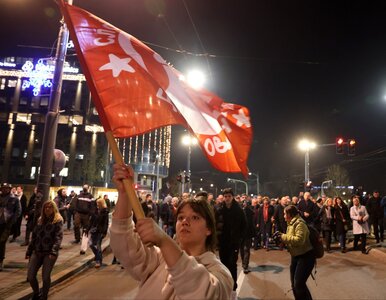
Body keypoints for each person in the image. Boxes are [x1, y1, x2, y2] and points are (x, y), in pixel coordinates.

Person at [109, 164, 233, 299]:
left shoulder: (220, 273)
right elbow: (125, 245)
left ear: (208, 229)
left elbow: (203, 292)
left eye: (195, 217)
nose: (185, 221)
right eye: (181, 217)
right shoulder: (159, 258)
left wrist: (164, 240)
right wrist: (125, 194)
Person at [26, 200, 63, 300]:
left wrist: (54, 251)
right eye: (46, 207)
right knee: (31, 276)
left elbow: (58, 237)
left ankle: (44, 296)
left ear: (54, 208)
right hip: (37, 251)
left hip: (49, 253)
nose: (47, 209)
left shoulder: (58, 220)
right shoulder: (40, 220)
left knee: (45, 277)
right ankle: (36, 293)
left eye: (50, 207)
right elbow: (34, 237)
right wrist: (29, 251)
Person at [276, 205, 315, 300]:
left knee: (299, 284)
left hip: (305, 256)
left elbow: (299, 240)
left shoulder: (300, 223)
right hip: (296, 256)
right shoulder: (291, 223)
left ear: (290, 214)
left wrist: (283, 237)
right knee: (295, 284)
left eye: (285, 214)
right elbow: (290, 239)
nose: (284, 216)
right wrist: (280, 239)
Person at [216, 188, 246, 299]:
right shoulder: (219, 209)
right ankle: (225, 288)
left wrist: (239, 240)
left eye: (229, 196)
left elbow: (244, 225)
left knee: (232, 265)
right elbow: (215, 223)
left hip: (233, 243)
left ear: (232, 197)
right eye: (225, 196)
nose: (227, 198)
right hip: (222, 242)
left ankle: (233, 290)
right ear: (223, 197)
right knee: (223, 265)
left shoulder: (238, 210)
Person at [0, 183, 21, 271]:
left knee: (1, 242)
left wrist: (12, 221)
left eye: (6, 188)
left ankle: (0, 261)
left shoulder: (14, 199)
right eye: (3, 188)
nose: (5, 190)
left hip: (6, 224)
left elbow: (18, 211)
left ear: (9, 189)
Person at [86, 197, 109, 268]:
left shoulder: (105, 212)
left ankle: (98, 261)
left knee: (98, 245)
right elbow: (91, 221)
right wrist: (87, 229)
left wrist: (104, 232)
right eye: (96, 203)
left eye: (98, 203)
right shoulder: (95, 211)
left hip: (100, 231)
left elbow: (106, 223)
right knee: (91, 244)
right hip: (94, 230)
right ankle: (98, 257)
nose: (97, 205)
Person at [240, 199, 255, 274]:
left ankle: (244, 264)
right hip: (246, 234)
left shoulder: (241, 211)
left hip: (243, 234)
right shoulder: (248, 211)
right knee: (245, 250)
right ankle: (245, 265)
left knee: (243, 250)